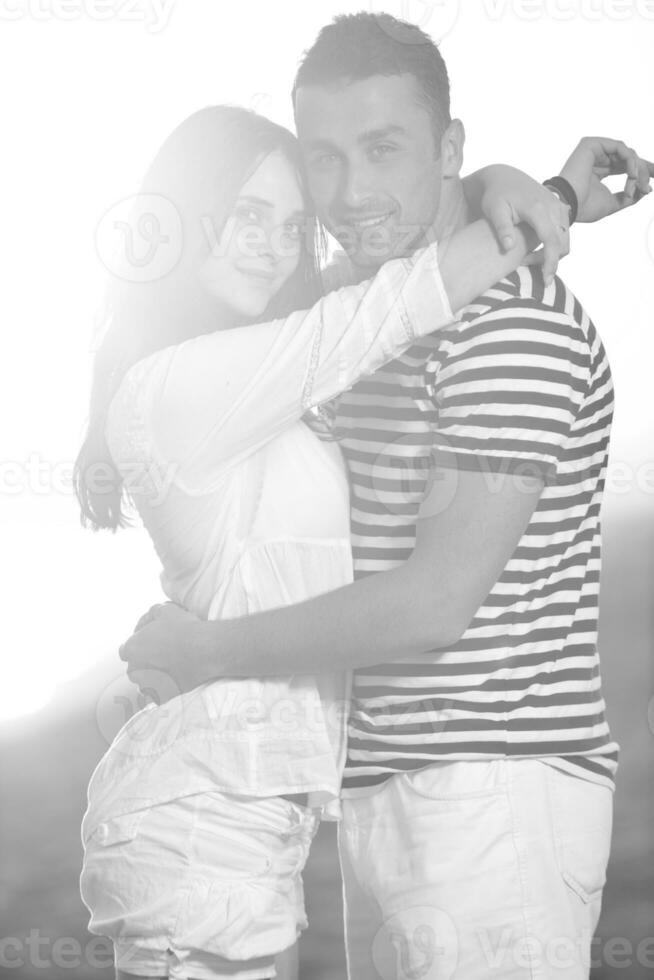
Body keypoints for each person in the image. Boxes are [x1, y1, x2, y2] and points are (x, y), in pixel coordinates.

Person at [120, 14, 654, 980]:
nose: (352, 193)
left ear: (449, 147)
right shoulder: (357, 319)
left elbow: (435, 602)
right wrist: (532, 190)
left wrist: (209, 651)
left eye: (385, 148)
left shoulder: (510, 323)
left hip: (490, 797)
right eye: (325, 158)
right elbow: (374, 293)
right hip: (382, 801)